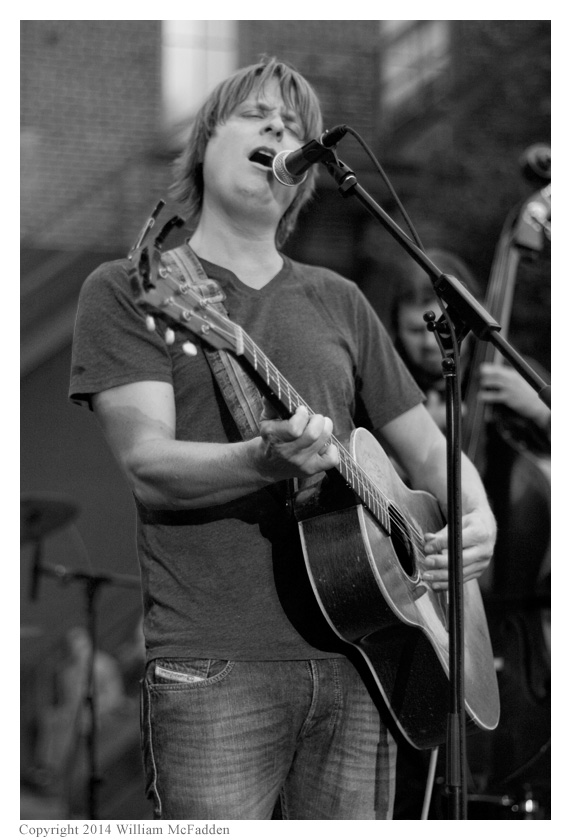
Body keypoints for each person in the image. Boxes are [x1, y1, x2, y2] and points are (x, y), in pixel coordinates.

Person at [69, 57, 496, 820]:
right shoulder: (135, 288)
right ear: (205, 142)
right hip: (217, 666)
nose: (278, 127)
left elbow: (433, 452)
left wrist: (479, 516)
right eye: (256, 114)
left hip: (369, 663)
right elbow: (148, 466)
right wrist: (263, 461)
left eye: (294, 125)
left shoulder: (340, 299)